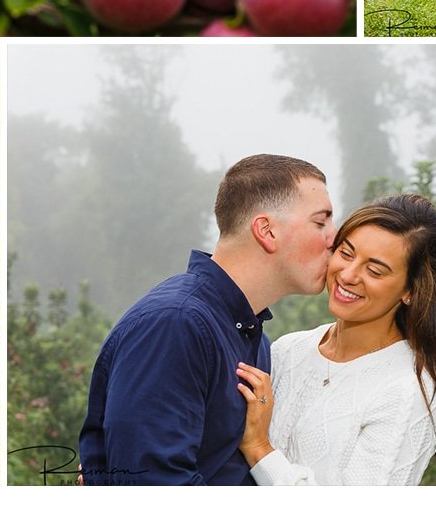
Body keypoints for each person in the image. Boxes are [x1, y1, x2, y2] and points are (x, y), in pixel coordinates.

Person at [78, 154, 336, 484]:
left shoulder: (251, 337)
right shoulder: (174, 324)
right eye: (321, 222)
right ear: (267, 231)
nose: (335, 237)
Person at [235, 194, 436, 485]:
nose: (349, 275)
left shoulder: (408, 392)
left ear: (411, 291)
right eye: (347, 253)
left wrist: (259, 450)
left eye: (374, 270)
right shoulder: (288, 350)